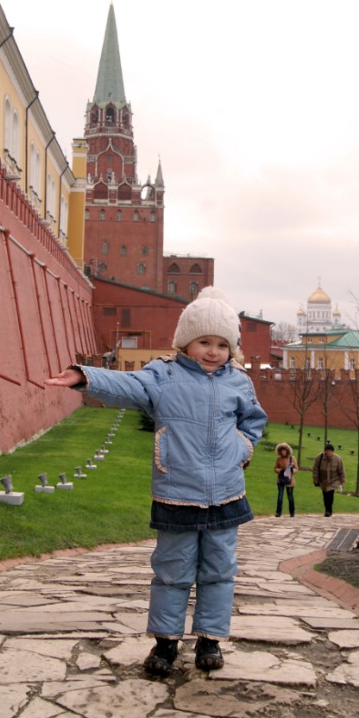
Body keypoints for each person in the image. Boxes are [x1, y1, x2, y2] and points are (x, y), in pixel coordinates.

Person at [45, 287, 267, 676]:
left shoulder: (239, 383)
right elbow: (127, 386)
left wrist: (242, 449)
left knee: (219, 570)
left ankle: (210, 640)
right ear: (186, 342)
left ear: (231, 348)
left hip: (225, 495)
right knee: (172, 570)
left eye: (221, 344)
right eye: (204, 342)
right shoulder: (163, 376)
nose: (212, 351)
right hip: (176, 494)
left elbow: (253, 421)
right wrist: (85, 376)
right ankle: (165, 644)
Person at [312, 443, 345, 517]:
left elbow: (341, 471)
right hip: (323, 480)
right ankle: (327, 509)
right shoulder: (319, 458)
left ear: (333, 452)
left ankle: (328, 511)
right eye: (326, 451)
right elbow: (315, 470)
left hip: (333, 480)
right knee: (325, 496)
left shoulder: (338, 459)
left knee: (330, 495)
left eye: (329, 451)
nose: (328, 453)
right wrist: (315, 479)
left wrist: (342, 482)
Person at [273, 442, 299, 518]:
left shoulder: (292, 458)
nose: (283, 452)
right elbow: (275, 468)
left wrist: (291, 470)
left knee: (290, 496)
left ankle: (292, 512)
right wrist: (280, 470)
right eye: (282, 451)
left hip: (289, 480)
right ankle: (278, 512)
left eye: (284, 450)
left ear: (287, 451)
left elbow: (296, 468)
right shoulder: (279, 459)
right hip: (281, 480)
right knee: (280, 496)